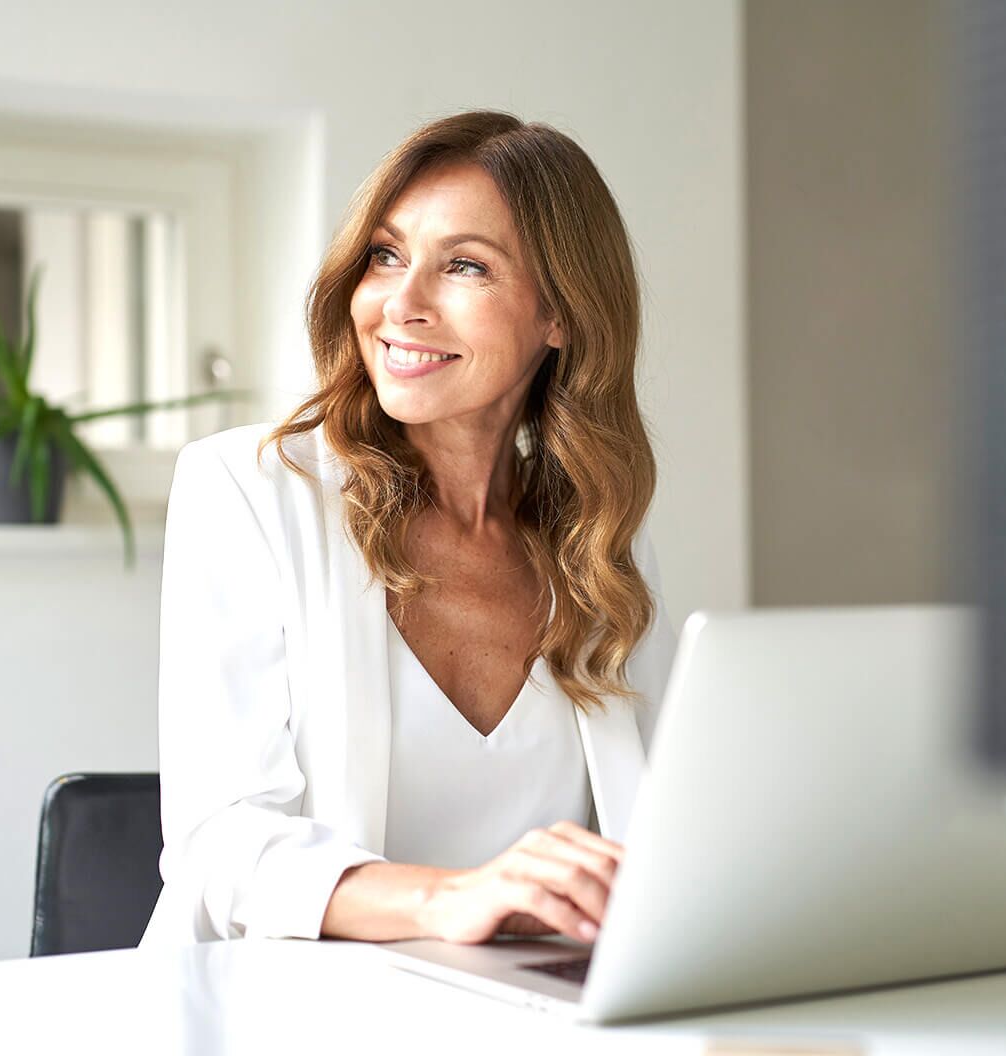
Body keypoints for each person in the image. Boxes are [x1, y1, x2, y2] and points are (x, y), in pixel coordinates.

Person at [140, 110, 675, 950]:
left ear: (560, 314)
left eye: (465, 266)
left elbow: (658, 835)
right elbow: (220, 845)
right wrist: (452, 899)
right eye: (385, 255)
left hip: (532, 1014)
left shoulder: (598, 541)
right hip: (291, 1016)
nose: (401, 303)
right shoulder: (249, 488)